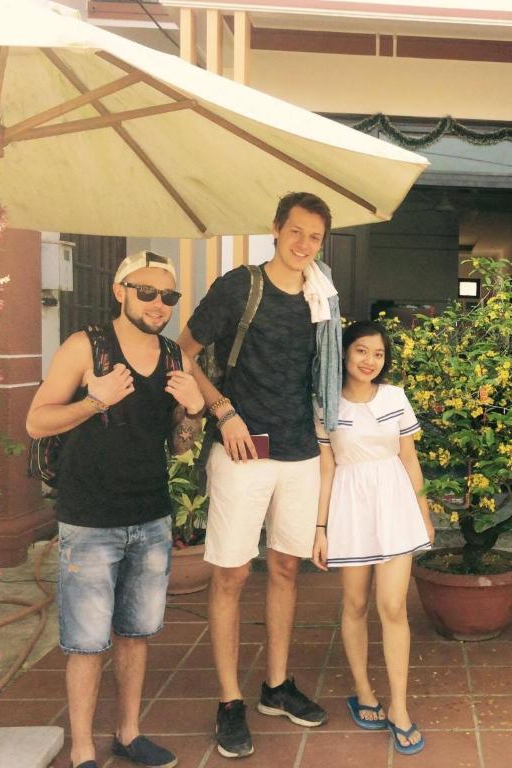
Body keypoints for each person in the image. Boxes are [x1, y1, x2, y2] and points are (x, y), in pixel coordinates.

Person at [176, 192, 342, 758]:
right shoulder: (238, 287)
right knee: (229, 575)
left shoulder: (322, 299)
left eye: (314, 237)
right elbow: (185, 353)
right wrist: (223, 412)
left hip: (299, 450)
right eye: (295, 232)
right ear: (276, 229)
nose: (303, 245)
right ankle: (229, 700)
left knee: (286, 570)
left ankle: (276, 685)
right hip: (242, 450)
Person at [27, 251, 205, 768]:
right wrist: (94, 401)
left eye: (167, 296)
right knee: (85, 641)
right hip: (89, 518)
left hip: (150, 514)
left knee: (136, 632)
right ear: (120, 291)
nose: (157, 304)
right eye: (145, 292)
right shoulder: (86, 346)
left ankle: (129, 732)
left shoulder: (174, 356)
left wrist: (192, 409)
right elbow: (37, 422)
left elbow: (179, 447)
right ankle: (83, 748)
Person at [312, 320, 434, 756]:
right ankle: (364, 691)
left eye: (378, 354)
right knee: (355, 604)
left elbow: (410, 459)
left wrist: (424, 511)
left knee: (394, 605)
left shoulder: (395, 397)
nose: (369, 361)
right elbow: (326, 468)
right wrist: (321, 528)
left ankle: (399, 707)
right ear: (345, 354)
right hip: (349, 505)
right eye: (361, 351)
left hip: (395, 504)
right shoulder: (324, 403)